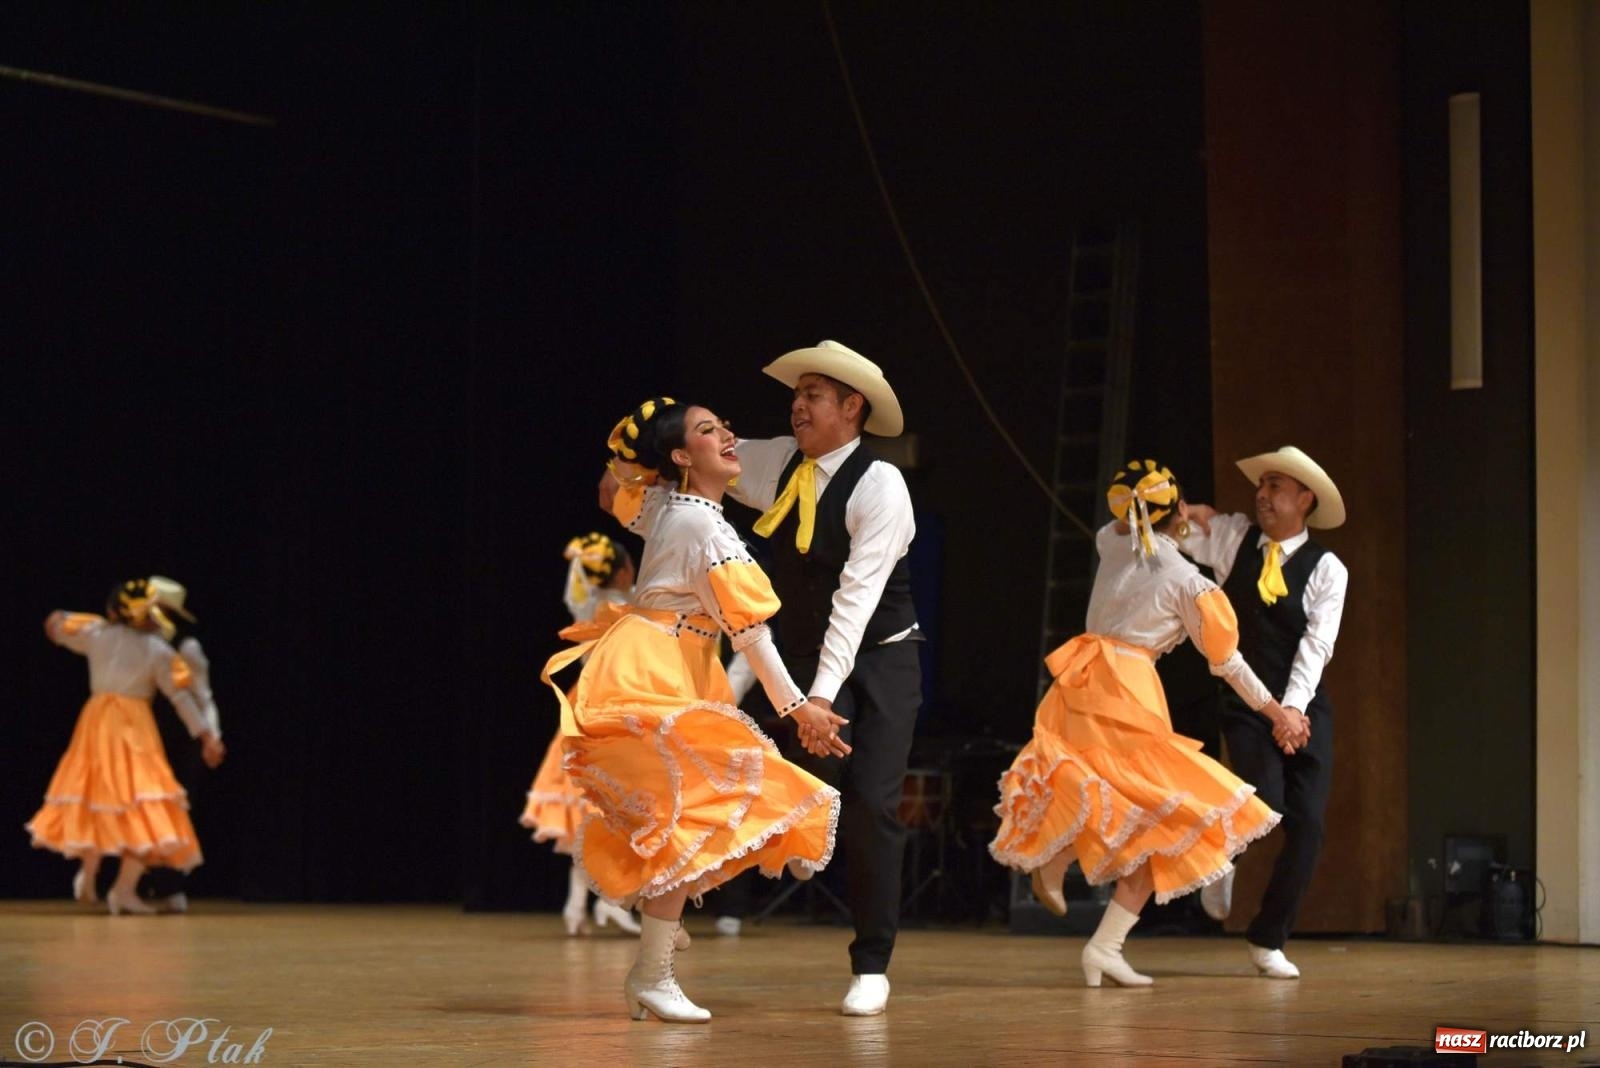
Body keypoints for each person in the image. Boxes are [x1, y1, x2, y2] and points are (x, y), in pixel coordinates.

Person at [565, 396, 848, 1023]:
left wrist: (639, 457)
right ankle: (653, 967)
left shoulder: (670, 508)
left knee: (709, 809)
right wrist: (801, 709)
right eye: (707, 430)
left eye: (724, 424)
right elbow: (751, 635)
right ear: (680, 456)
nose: (728, 436)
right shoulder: (698, 524)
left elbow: (612, 488)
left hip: (678, 664)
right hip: (658, 667)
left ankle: (659, 928)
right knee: (692, 814)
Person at [989, 460, 1290, 987]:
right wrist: (1274, 709)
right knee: (1158, 813)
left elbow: (1127, 524)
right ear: (1178, 513)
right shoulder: (1186, 582)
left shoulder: (1112, 543)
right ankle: (1085, 907)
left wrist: (1171, 516)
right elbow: (1227, 663)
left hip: (1081, 682)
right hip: (1127, 692)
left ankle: (1087, 916)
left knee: (1106, 793)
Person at [723, 340, 921, 1017]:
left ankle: (871, 963)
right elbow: (707, 459)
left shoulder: (881, 484)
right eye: (797, 393)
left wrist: (819, 697)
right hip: (806, 659)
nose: (797, 404)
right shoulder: (779, 460)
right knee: (791, 788)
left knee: (875, 805)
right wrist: (644, 461)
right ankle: (812, 826)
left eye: (812, 394)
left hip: (881, 658)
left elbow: (856, 602)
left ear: (851, 407)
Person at [1180, 446, 1348, 980]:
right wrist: (1178, 514)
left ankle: (1268, 938)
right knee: (1265, 799)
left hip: (1303, 705)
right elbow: (1172, 534)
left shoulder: (1328, 569)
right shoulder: (1234, 538)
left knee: (1309, 827)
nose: (1263, 494)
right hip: (1248, 703)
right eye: (1263, 485)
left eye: (1276, 486)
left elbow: (1316, 648)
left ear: (1305, 499)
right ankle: (1219, 860)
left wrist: (1293, 711)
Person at [26, 577, 223, 915]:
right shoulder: (157, 651)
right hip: (132, 728)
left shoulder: (98, 635)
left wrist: (66, 618)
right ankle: (122, 889)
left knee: (96, 794)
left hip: (98, 721)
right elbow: (181, 699)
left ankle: (88, 874)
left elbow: (55, 626)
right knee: (144, 804)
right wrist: (206, 736)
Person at [522, 533, 645, 937]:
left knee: (591, 811)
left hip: (585, 705)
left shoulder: (585, 603)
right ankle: (607, 901)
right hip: (617, 707)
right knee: (616, 810)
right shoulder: (632, 607)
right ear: (624, 568)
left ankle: (580, 904)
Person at [138, 577, 227, 913]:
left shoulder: (186, 647)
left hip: (182, 737)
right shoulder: (141, 642)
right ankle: (145, 882)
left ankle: (170, 884)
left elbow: (204, 697)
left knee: (174, 808)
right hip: (146, 733)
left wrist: (212, 737)